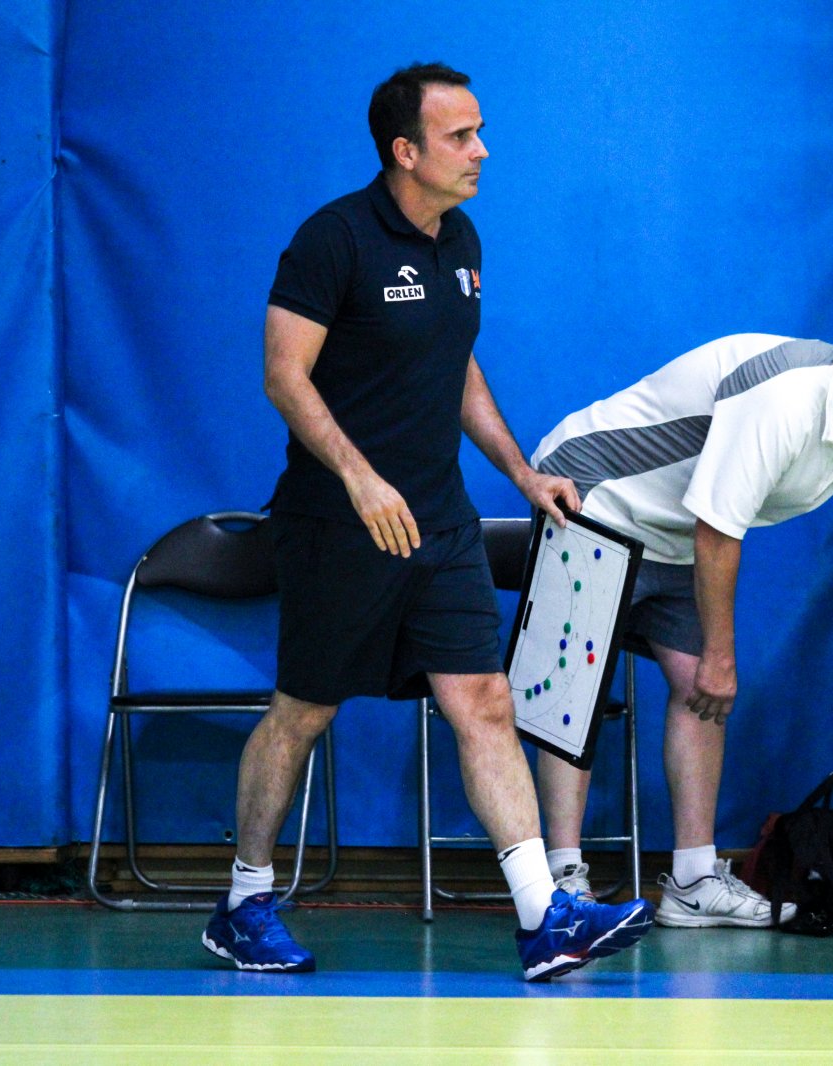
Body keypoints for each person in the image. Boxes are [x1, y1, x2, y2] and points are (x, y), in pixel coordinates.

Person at [202, 62, 652, 980]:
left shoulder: (462, 238)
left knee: (484, 701)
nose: (481, 150)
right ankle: (244, 903)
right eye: (460, 136)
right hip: (341, 524)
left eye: (479, 131)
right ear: (405, 151)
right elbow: (283, 374)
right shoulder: (333, 239)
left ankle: (543, 917)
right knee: (302, 713)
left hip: (441, 522)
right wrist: (361, 479)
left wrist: (522, 473)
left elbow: (458, 365)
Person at [529, 331, 833, 927]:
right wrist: (721, 656)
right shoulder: (785, 403)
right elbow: (718, 531)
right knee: (576, 692)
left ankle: (692, 881)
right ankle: (563, 883)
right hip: (591, 497)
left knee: (701, 694)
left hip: (675, 533)